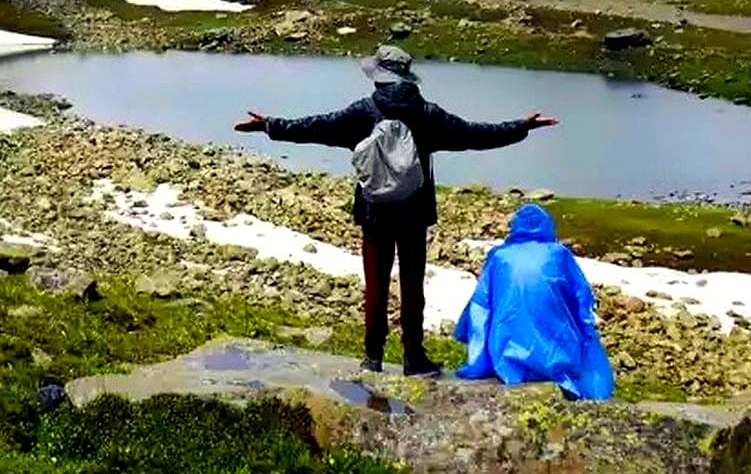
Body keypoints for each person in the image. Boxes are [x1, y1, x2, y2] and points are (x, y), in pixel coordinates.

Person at [235, 43, 558, 377]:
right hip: (414, 214)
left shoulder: (363, 111)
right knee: (412, 285)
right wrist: (522, 126)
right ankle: (413, 357)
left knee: (375, 285)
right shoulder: (428, 114)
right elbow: (475, 134)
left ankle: (372, 356)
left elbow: (316, 127)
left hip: (374, 212)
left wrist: (269, 125)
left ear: (379, 77)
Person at [453, 202, 614, 400]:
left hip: (506, 356)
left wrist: (468, 343)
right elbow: (582, 300)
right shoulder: (559, 254)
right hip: (557, 354)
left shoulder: (500, 257)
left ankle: (518, 362)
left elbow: (480, 307)